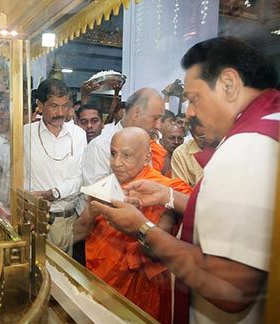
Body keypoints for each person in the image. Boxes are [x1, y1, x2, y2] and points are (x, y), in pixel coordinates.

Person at [92, 37, 279, 324]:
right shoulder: (268, 127)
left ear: (229, 85)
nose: (189, 112)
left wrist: (142, 228)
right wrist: (167, 196)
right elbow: (232, 215)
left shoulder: (246, 147)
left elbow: (231, 289)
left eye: (194, 99)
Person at [73, 127, 192, 324]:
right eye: (113, 154)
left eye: (126, 155)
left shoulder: (165, 188)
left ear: (146, 158)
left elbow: (191, 214)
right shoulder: (104, 186)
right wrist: (91, 211)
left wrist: (163, 214)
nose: (116, 163)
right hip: (100, 286)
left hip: (141, 296)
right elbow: (77, 234)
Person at [24, 78, 87, 255]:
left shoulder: (78, 135)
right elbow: (18, 176)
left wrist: (53, 193)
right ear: (40, 105)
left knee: (63, 277)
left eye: (65, 105)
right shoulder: (26, 134)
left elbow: (81, 178)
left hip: (68, 220)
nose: (60, 112)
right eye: (53, 106)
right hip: (36, 221)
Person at [81, 87, 164, 186]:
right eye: (155, 118)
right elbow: (96, 193)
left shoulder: (145, 145)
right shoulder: (101, 145)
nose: (158, 126)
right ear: (136, 112)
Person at [171, 117, 219, 187]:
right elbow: (180, 189)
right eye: (202, 136)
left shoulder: (226, 146)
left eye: (211, 134)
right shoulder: (181, 153)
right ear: (192, 133)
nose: (208, 139)